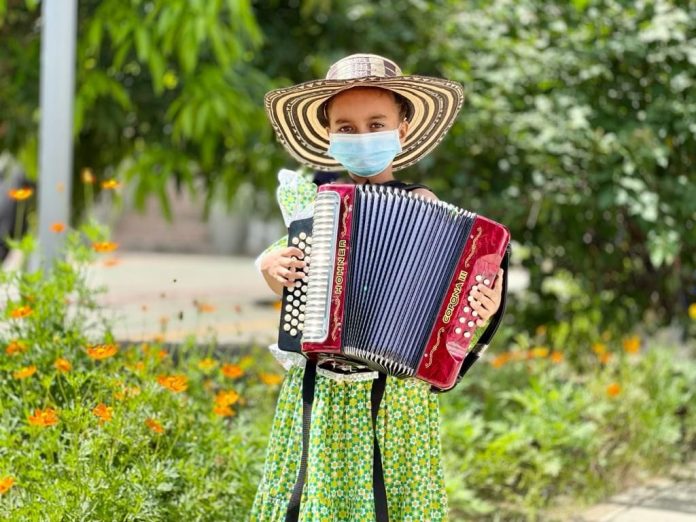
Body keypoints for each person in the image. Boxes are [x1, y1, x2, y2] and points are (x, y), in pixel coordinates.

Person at [250, 54, 504, 521]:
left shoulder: (429, 210)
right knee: (316, 500)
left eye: (376, 123)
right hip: (322, 394)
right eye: (345, 127)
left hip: (397, 405)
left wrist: (483, 306)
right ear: (328, 134)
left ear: (402, 129)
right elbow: (278, 260)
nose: (362, 136)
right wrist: (269, 265)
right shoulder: (312, 202)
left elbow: (454, 308)